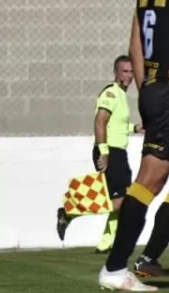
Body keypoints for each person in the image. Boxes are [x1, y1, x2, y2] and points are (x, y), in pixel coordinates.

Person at [100, 0, 169, 291]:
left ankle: (148, 259)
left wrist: (147, 91)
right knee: (149, 180)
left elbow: (135, 41)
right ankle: (116, 268)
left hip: (155, 89)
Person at [56, 55, 141, 253]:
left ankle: (106, 243)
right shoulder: (111, 93)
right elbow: (100, 122)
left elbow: (116, 126)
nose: (128, 76)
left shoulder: (121, 95)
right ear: (116, 73)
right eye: (124, 71)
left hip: (119, 151)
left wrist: (136, 128)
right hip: (110, 151)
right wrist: (104, 153)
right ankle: (68, 213)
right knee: (119, 201)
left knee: (123, 198)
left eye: (131, 72)